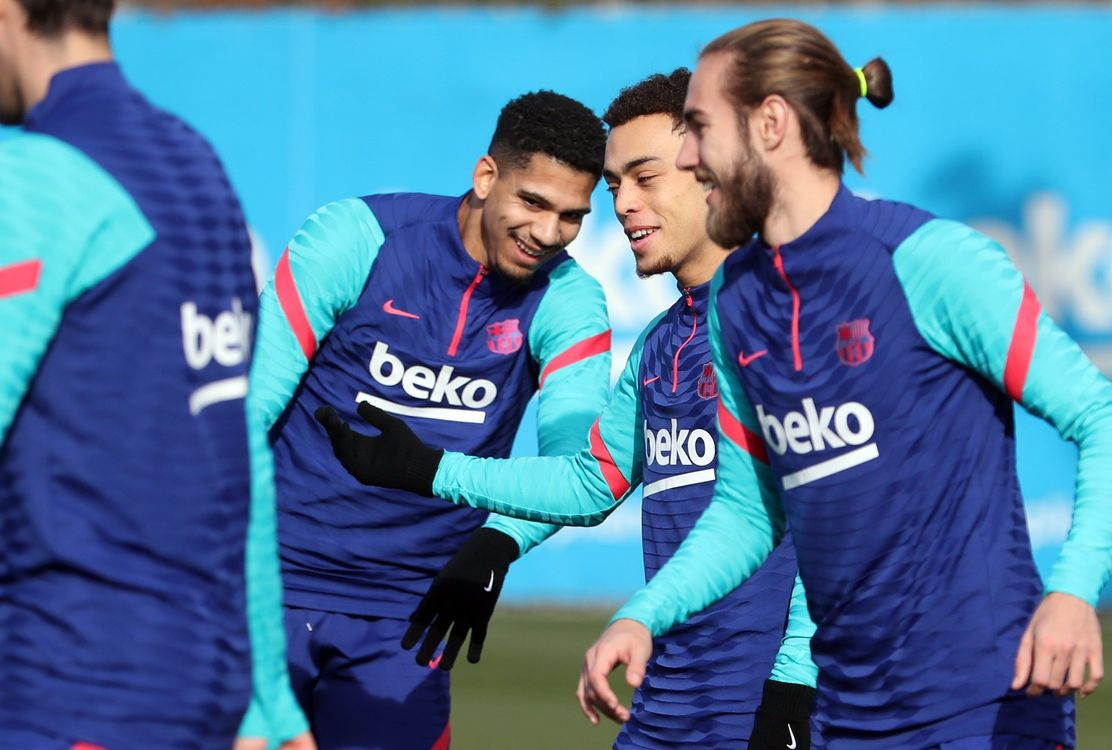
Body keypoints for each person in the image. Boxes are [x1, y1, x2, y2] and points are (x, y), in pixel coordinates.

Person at [579, 18, 1112, 749]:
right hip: (847, 716)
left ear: (773, 123)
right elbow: (749, 514)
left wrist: (1072, 594)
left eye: (697, 127)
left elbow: (1109, 424)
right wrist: (643, 614)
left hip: (984, 705)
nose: (687, 156)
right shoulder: (740, 303)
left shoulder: (928, 261)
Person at [319, 69, 819, 750]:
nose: (624, 205)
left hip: (769, 705)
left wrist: (795, 682)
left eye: (644, 177)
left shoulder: (788, 320)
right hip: (667, 704)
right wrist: (443, 484)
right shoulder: (662, 342)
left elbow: (848, 517)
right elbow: (591, 482)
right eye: (614, 187)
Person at [251, 90, 612, 749]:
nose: (549, 233)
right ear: (485, 177)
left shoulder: (570, 300)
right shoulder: (355, 237)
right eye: (533, 202)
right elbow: (243, 416)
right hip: (270, 587)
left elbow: (574, 473)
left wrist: (497, 541)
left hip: (410, 618)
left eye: (571, 216)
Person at [0, 1, 310, 748]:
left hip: (58, 683)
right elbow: (240, 459)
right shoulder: (195, 167)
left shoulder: (32, 178)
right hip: (195, 684)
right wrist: (270, 699)